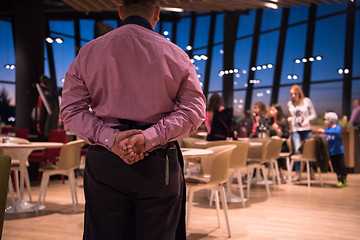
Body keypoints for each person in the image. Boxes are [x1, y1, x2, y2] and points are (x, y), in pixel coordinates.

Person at [59, 1, 206, 239]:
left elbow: (71, 110)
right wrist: (148, 138)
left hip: (106, 159)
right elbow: (194, 111)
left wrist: (112, 138)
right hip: (159, 162)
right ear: (157, 13)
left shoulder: (89, 51)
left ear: (120, 10)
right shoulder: (176, 54)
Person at [287, 84, 317, 181]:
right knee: (297, 150)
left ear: (299, 93)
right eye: (291, 94)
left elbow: (314, 115)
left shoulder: (306, 101)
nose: (293, 96)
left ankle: (311, 170)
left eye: (294, 94)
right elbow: (293, 116)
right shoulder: (290, 104)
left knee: (309, 151)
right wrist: (291, 119)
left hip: (307, 129)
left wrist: (307, 119)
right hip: (295, 130)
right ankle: (297, 173)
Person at [318, 112, 347, 187]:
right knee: (335, 167)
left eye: (326, 120)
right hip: (331, 152)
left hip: (338, 152)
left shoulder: (337, 128)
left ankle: (344, 176)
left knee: (341, 166)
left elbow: (336, 132)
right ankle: (340, 179)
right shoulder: (327, 129)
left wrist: (324, 131)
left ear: (331, 120)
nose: (325, 122)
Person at [266, 104, 290, 180]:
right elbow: (266, 131)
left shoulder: (283, 121)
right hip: (271, 144)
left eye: (273, 110)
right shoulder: (269, 121)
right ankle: (257, 174)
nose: (271, 112)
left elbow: (286, 135)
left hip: (282, 145)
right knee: (261, 151)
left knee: (277, 150)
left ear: (278, 111)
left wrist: (278, 130)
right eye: (271, 110)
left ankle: (281, 172)